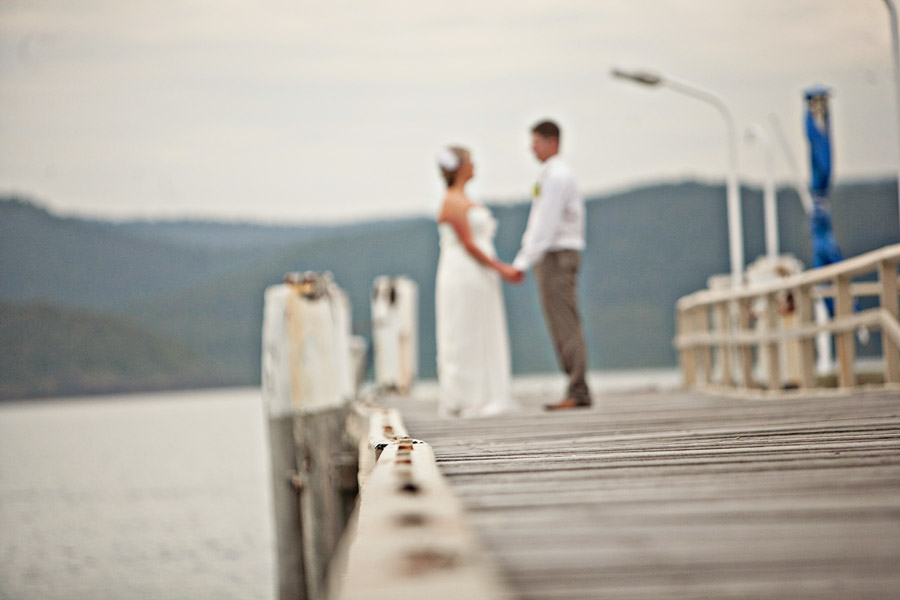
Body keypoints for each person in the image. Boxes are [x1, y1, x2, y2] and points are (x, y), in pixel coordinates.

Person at [434, 146, 522, 418]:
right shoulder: (452, 201)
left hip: (478, 274)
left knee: (481, 328)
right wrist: (501, 268)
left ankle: (485, 393)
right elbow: (468, 244)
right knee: (462, 331)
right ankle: (464, 396)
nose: (475, 166)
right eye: (471, 161)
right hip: (464, 272)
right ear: (460, 167)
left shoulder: (462, 199)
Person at [510, 120, 592, 410]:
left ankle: (578, 389)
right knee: (561, 320)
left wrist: (522, 260)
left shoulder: (557, 176)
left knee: (564, 321)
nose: (532, 148)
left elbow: (545, 223)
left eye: (536, 142)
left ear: (552, 142)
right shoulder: (552, 175)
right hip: (554, 252)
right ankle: (576, 387)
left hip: (557, 254)